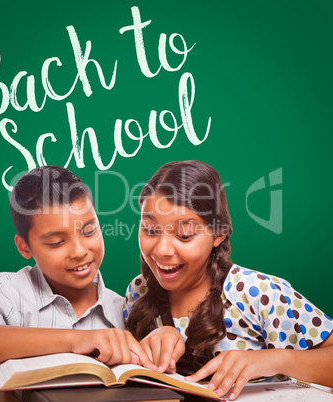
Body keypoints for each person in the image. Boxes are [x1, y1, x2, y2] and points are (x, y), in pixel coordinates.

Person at [124, 160, 333, 400]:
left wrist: (275, 359)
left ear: (219, 233)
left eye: (184, 235)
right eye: (150, 230)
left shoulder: (257, 292)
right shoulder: (137, 291)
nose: (162, 250)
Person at [0, 165, 155, 378]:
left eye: (89, 231)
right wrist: (74, 340)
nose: (79, 252)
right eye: (56, 242)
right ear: (24, 247)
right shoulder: (6, 291)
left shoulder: (124, 310)